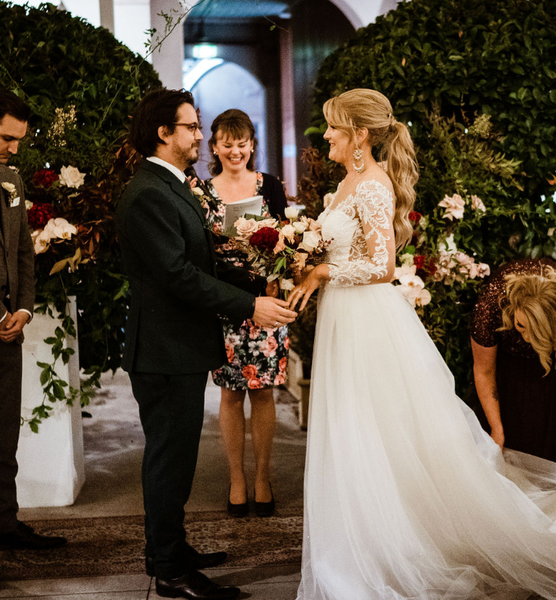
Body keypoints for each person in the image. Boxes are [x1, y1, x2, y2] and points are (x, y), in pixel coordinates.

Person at [288, 88, 556, 600]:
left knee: (367, 430)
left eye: (334, 128)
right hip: (345, 319)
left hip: (367, 322)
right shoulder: (349, 180)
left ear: (360, 136)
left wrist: (323, 270)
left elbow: (383, 267)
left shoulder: (371, 187)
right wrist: (302, 258)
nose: (326, 135)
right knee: (352, 430)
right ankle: (356, 535)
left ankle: (379, 547)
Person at [116, 88, 296, 600]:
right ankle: (170, 572)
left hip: (179, 346)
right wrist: (249, 305)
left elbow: (202, 258)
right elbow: (177, 273)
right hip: (164, 349)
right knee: (169, 460)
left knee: (176, 459)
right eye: (193, 127)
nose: (200, 135)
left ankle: (169, 549)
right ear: (163, 133)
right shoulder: (149, 191)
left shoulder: (175, 184)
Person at [203, 109, 288, 518]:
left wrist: (277, 273)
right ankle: (237, 479)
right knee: (231, 393)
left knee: (265, 391)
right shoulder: (204, 191)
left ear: (252, 145)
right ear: (215, 147)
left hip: (267, 300)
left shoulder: (269, 185)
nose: (235, 150)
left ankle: (263, 478)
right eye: (227, 143)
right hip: (224, 303)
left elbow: (289, 238)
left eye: (242, 143)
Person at [0, 88, 67, 551]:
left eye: (18, 140)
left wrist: (23, 308)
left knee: (6, 434)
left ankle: (5, 523)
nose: (13, 149)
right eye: (6, 138)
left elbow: (23, 250)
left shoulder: (12, 181)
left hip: (9, 328)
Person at [471, 258, 556, 460]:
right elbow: (484, 371)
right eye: (521, 325)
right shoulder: (489, 307)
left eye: (536, 332)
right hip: (507, 367)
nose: (526, 338)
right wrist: (496, 430)